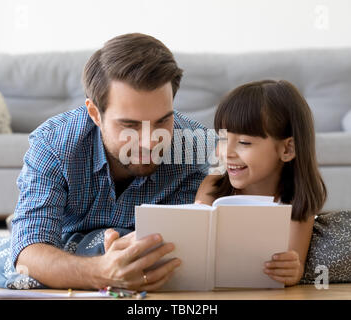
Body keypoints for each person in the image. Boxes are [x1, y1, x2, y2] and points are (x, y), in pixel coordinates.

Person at [11, 33, 210, 291]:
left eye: (162, 121)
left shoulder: (196, 146)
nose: (150, 142)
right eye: (130, 125)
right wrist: (101, 272)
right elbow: (29, 252)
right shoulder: (54, 144)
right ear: (95, 113)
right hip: (70, 240)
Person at [195, 80, 327, 286]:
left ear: (287, 149)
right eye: (222, 139)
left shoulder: (296, 202)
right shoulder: (212, 188)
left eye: (244, 142)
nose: (226, 153)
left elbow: (296, 264)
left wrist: (292, 270)